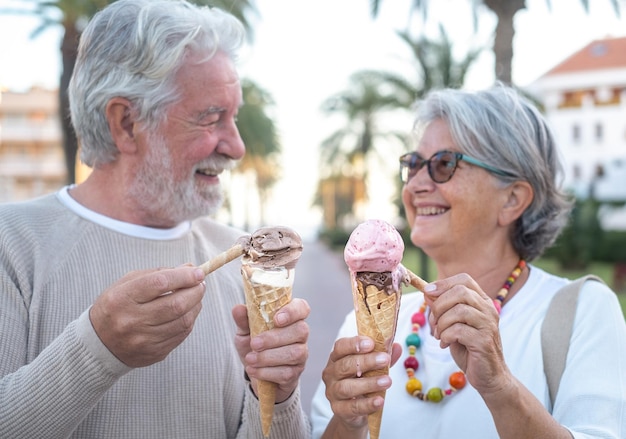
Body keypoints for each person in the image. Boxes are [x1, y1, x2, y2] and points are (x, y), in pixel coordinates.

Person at [0, 1, 311, 438]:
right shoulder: (11, 244)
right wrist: (97, 346)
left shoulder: (244, 258)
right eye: (211, 118)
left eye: (234, 116)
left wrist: (278, 396)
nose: (237, 146)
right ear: (126, 123)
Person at [311, 85, 626, 438]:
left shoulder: (582, 311)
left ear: (512, 199)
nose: (415, 184)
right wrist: (349, 420)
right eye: (413, 165)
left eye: (443, 164)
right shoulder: (362, 323)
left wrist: (500, 387)